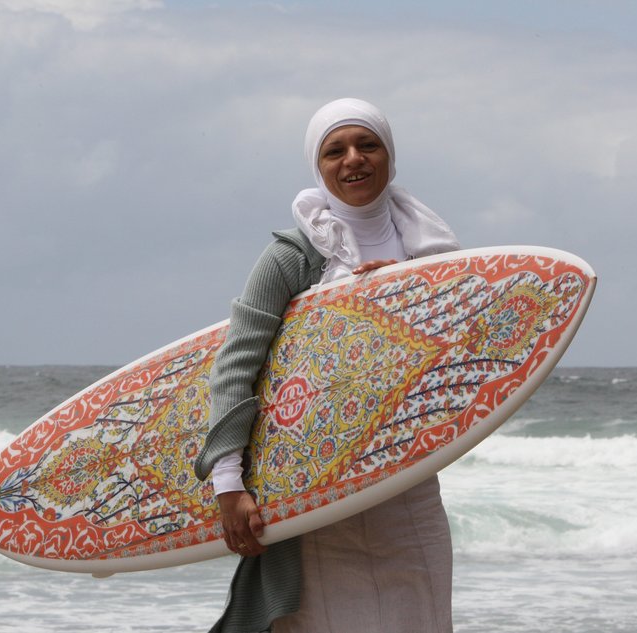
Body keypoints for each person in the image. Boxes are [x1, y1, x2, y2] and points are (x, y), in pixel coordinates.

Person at [194, 98, 460, 633]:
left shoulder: (434, 254)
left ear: (389, 154)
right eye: (334, 151)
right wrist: (227, 482)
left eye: (368, 145)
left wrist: (403, 298)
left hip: (407, 488)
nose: (353, 159)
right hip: (315, 495)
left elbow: (462, 361)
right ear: (318, 167)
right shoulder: (292, 256)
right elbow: (237, 364)